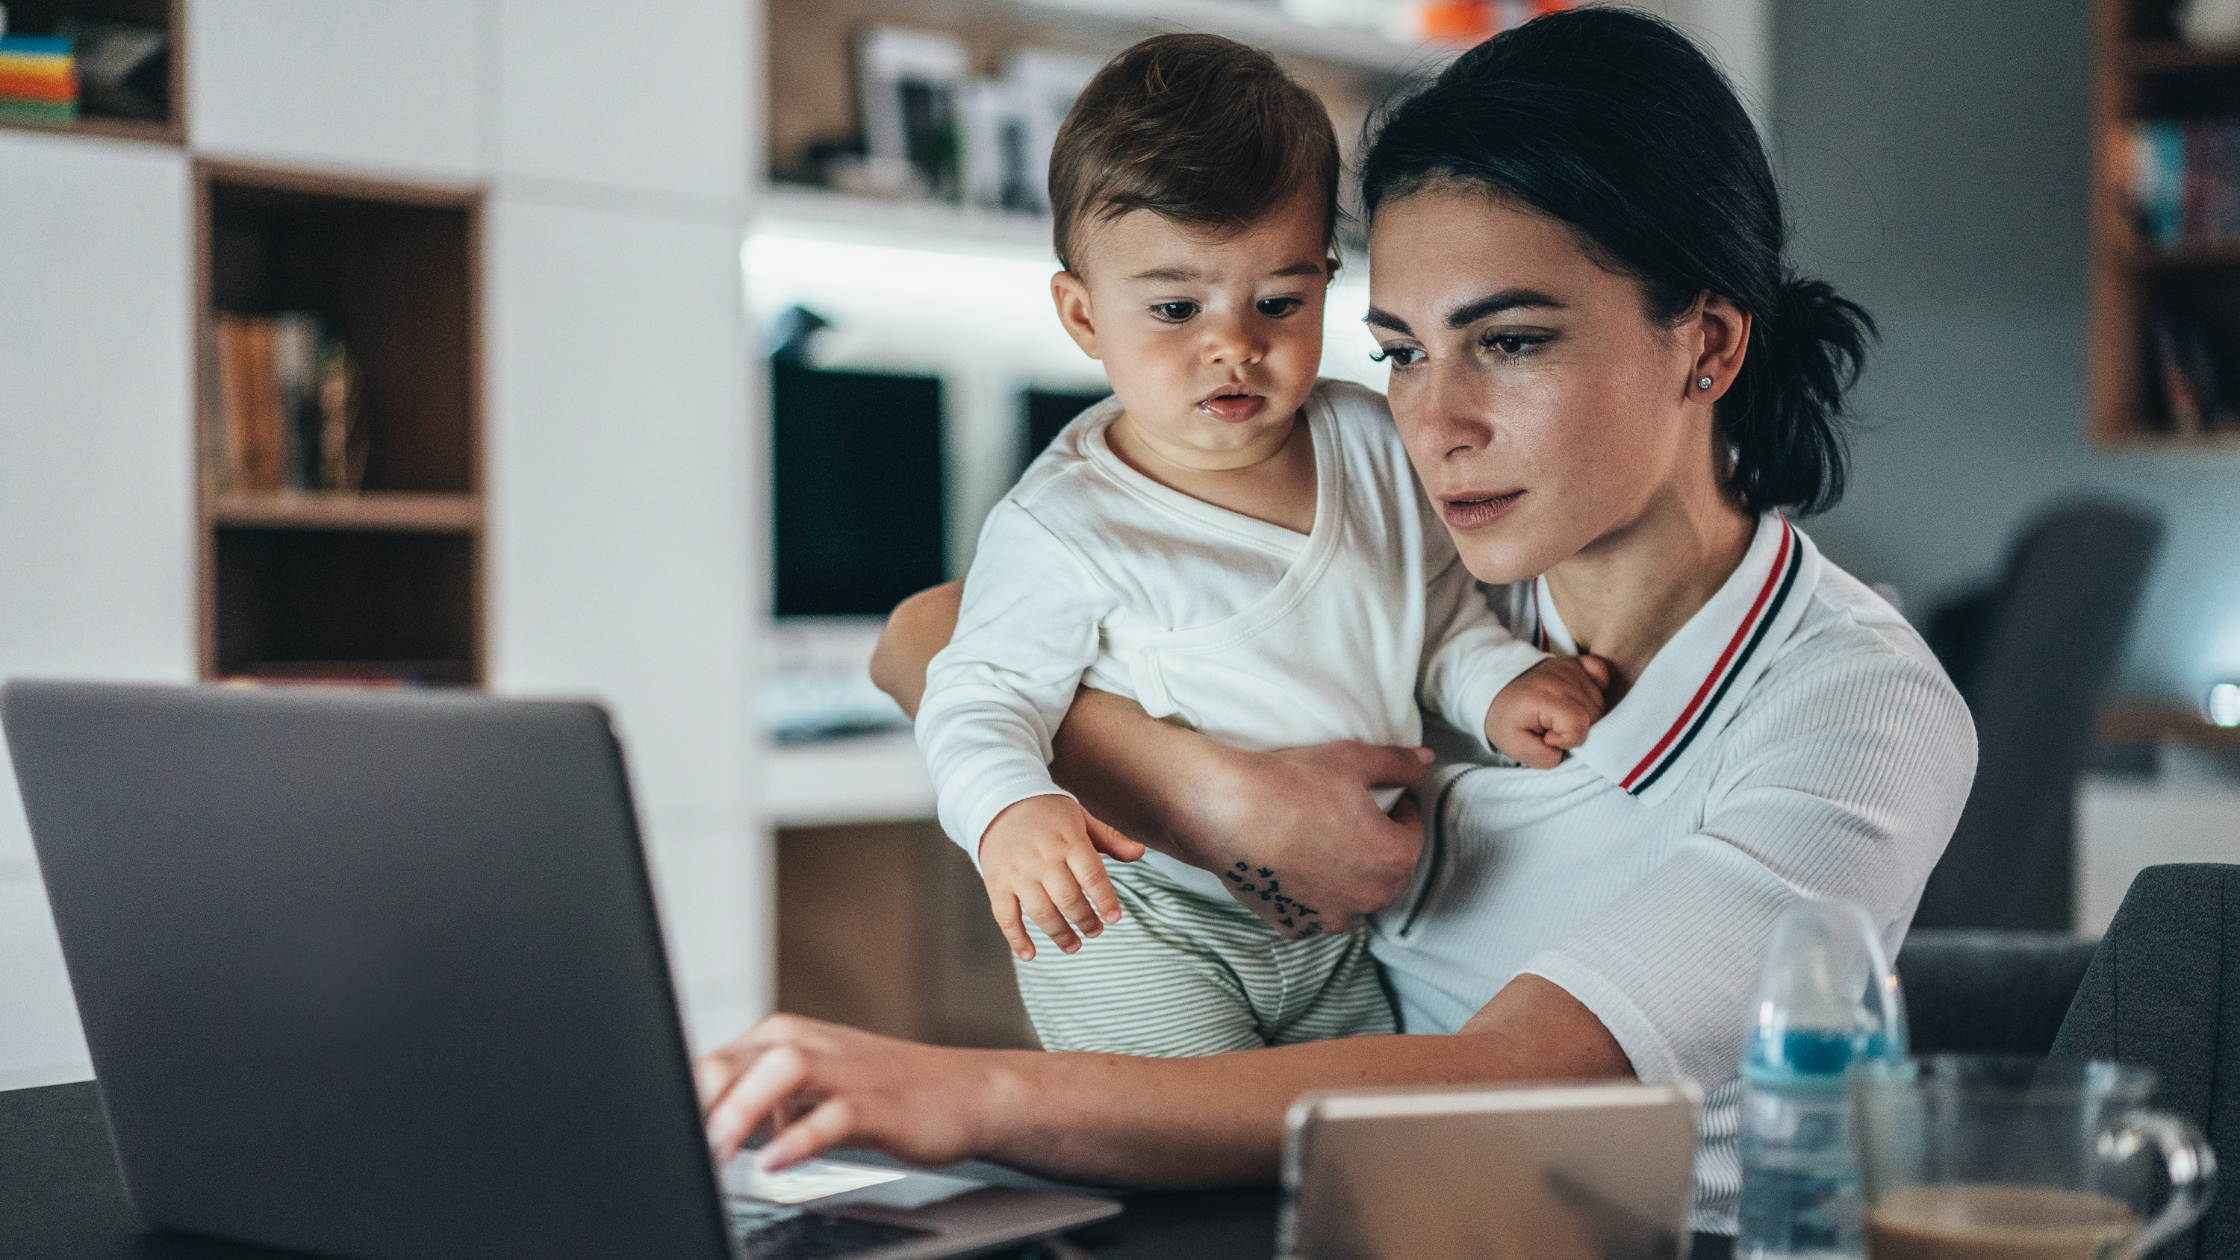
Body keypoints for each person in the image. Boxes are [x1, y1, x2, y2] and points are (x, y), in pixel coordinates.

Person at [698, 9, 1975, 1241]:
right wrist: (1211, 795)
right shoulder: (1440, 547)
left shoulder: (1856, 708)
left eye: (1510, 343)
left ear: (1702, 345)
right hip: (1331, 1215)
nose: (1432, 424)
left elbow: (1526, 1077)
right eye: (1401, 352)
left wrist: (965, 1094)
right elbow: (924, 632)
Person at [919, 33, 1607, 1060]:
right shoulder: (1061, 524)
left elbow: (1431, 613)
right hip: (1145, 922)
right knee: (1179, 1152)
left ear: (1326, 283)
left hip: (1334, 938)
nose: (1231, 344)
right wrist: (1010, 810)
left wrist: (1498, 687)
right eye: (1172, 307)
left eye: (1277, 303)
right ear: (1080, 315)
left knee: (1342, 1155)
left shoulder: (1370, 440)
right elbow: (975, 694)